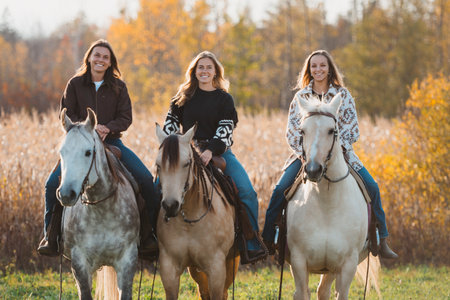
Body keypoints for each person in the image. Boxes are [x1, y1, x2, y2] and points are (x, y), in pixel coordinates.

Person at [262, 49, 398, 259]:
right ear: (309, 69)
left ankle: (380, 238)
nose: (318, 69)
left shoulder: (343, 96)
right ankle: (269, 239)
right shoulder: (300, 97)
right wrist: (305, 154)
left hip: (341, 155)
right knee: (280, 189)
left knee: (372, 187)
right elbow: (291, 132)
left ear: (329, 68)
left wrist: (333, 150)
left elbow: (353, 129)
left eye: (322, 65)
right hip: (306, 157)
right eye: (314, 66)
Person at [37, 39, 159, 258]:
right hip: (80, 144)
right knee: (51, 184)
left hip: (112, 142)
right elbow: (66, 113)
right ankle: (51, 235)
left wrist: (107, 128)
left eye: (105, 57)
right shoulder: (75, 83)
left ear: (110, 62)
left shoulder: (119, 86)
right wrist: (86, 129)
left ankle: (149, 236)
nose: (100, 59)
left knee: (145, 180)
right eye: (97, 55)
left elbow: (125, 117)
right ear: (89, 58)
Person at [162, 51, 267, 262]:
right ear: (194, 71)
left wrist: (210, 150)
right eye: (200, 67)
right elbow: (170, 127)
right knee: (158, 185)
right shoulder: (181, 98)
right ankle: (156, 237)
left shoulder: (224, 99)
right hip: (186, 152)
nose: (204, 71)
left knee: (247, 192)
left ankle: (251, 241)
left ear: (216, 72)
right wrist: (180, 148)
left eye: (209, 67)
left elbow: (226, 128)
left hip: (219, 152)